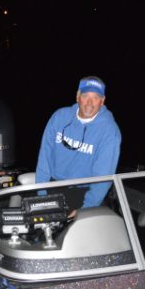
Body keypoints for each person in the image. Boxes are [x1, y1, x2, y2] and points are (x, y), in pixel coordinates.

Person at [35, 76, 122, 211]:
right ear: (77, 96)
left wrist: (85, 208)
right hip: (52, 186)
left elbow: (103, 178)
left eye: (95, 97)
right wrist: (41, 194)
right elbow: (44, 158)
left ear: (102, 101)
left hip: (82, 193)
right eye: (85, 96)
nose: (89, 102)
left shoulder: (110, 131)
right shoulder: (59, 117)